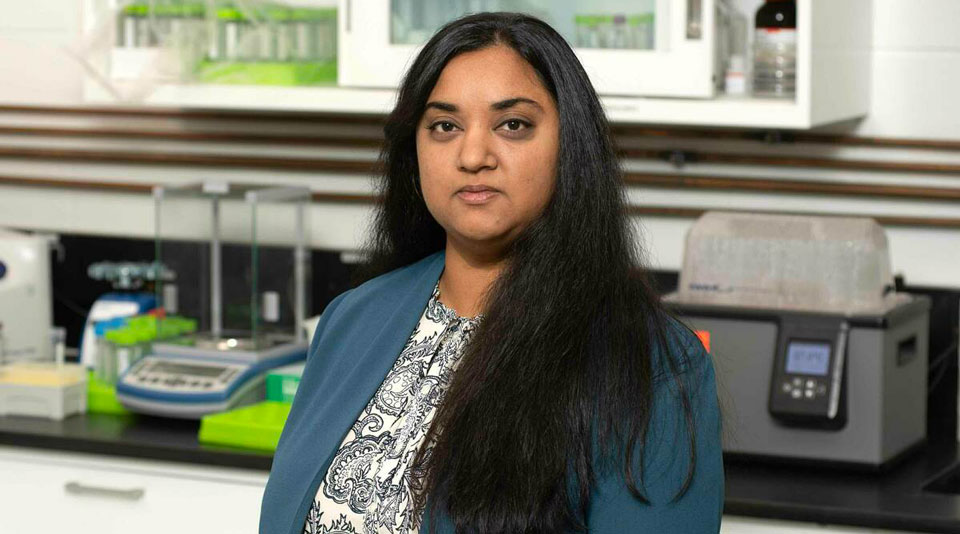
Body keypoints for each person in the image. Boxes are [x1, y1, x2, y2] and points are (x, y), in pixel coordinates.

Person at [260, 11, 724, 534]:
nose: (473, 155)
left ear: (570, 146)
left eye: (513, 125)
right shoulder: (353, 318)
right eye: (445, 126)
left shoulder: (649, 365)